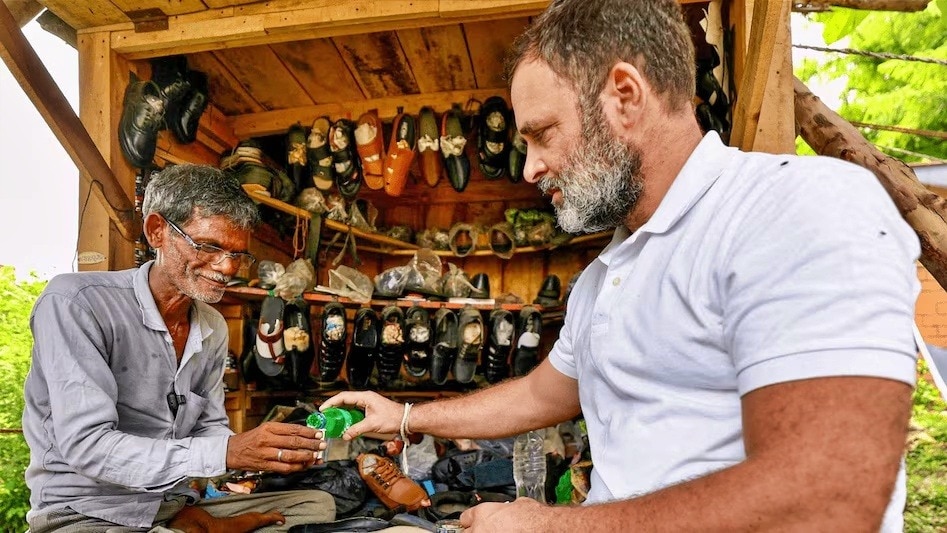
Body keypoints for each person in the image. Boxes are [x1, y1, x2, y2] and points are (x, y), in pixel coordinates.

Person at [322, 1, 921, 531]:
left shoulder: (792, 207)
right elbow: (541, 393)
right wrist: (403, 416)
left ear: (625, 96)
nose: (529, 169)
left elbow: (829, 498)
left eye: (542, 133)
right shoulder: (608, 272)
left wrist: (551, 529)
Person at [23, 164, 335, 532]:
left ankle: (191, 527)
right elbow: (88, 446)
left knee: (316, 505)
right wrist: (227, 452)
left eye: (239, 254)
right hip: (85, 513)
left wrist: (264, 454)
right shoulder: (76, 302)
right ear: (157, 231)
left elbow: (210, 430)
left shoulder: (212, 327)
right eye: (210, 246)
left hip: (171, 506)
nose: (227, 266)